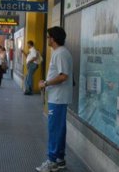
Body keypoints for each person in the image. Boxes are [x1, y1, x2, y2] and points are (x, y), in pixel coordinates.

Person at [36, 27, 73, 172]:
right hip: (57, 97)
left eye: (48, 37)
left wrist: (45, 83)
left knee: (54, 129)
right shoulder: (60, 53)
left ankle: (52, 161)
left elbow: (63, 76)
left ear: (53, 38)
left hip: (58, 98)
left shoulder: (61, 53)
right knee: (59, 129)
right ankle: (60, 159)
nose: (47, 39)